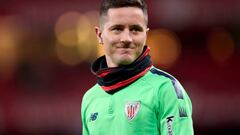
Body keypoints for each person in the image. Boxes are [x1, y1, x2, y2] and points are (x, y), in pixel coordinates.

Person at [81, 0, 194, 135]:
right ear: (99, 35)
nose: (127, 38)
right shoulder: (90, 98)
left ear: (145, 35)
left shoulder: (166, 89)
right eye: (117, 29)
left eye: (135, 29)